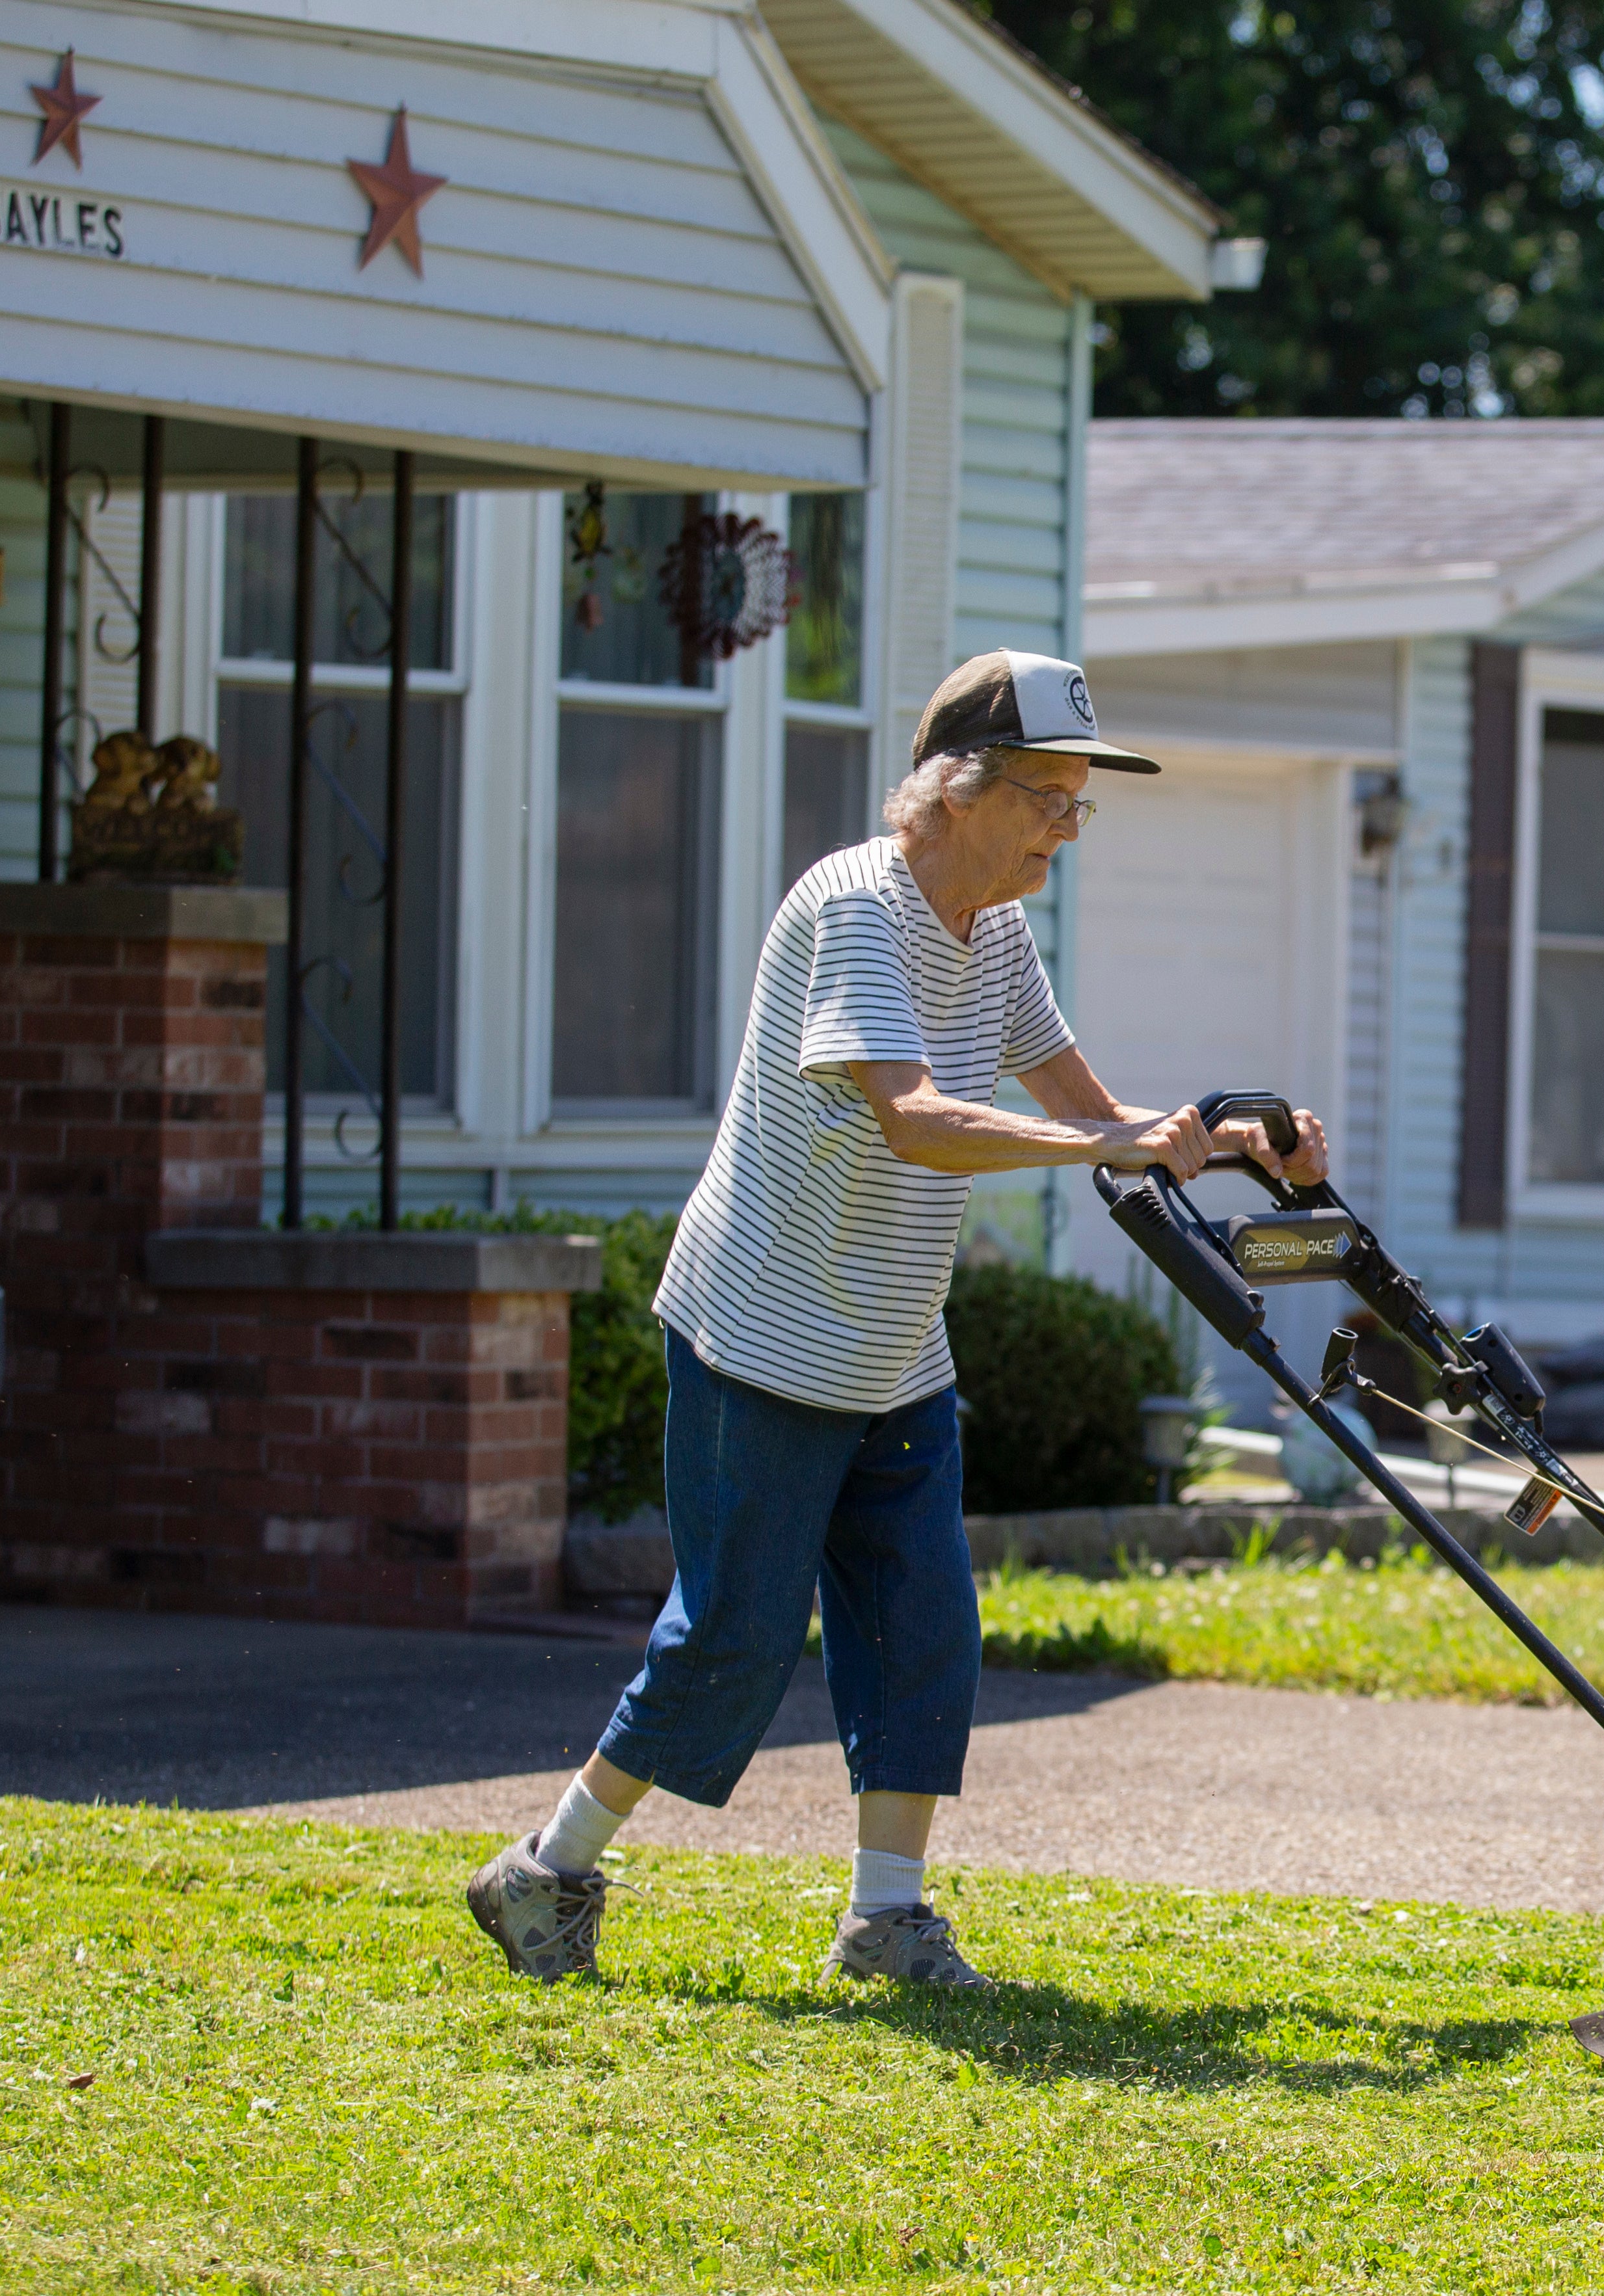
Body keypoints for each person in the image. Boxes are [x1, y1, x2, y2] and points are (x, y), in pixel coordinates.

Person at [466, 650, 1329, 1985]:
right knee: (734, 1637)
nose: (1065, 828)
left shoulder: (1000, 931)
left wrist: (1220, 1141)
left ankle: (884, 1921)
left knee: (922, 1623)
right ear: (954, 787)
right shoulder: (858, 908)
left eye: (1076, 804)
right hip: (761, 1330)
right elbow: (915, 1122)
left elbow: (1097, 1119)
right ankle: (546, 1869)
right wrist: (1102, 1149)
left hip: (888, 1339)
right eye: (1048, 796)